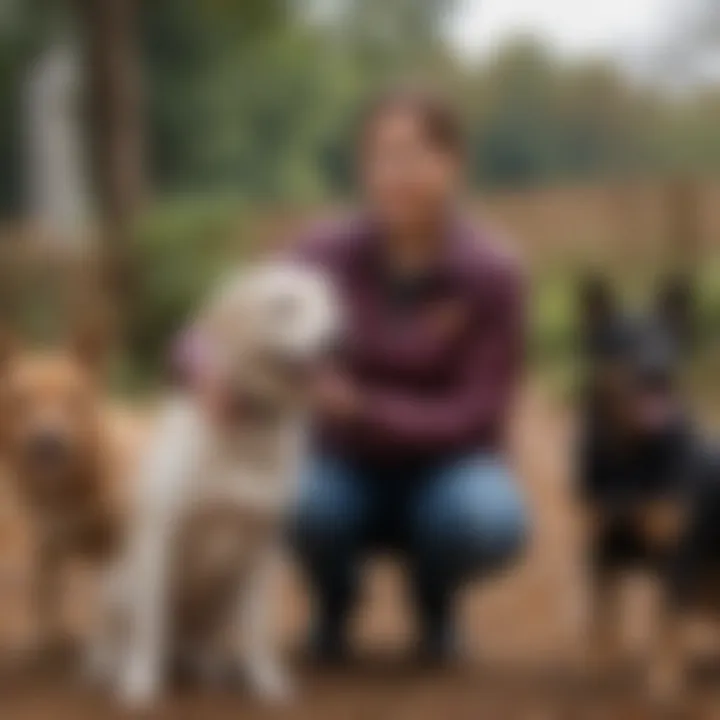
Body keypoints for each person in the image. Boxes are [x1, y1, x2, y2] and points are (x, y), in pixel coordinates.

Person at [290, 86, 529, 663]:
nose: (395, 174)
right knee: (295, 499)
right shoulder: (322, 252)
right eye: (379, 157)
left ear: (453, 163)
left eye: (413, 155)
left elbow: (479, 412)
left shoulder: (492, 271)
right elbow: (224, 323)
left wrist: (365, 410)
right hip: (340, 467)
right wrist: (204, 367)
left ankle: (435, 601)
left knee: (484, 518)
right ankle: (333, 602)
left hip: (450, 472)